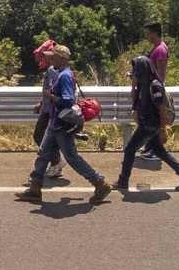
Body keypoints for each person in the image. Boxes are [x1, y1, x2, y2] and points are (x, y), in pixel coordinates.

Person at [15, 45, 112, 203]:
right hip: (55, 123)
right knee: (42, 153)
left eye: (53, 57)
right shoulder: (61, 73)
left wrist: (50, 96)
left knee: (71, 157)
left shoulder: (64, 76)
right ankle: (35, 188)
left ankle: (99, 183)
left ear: (62, 59)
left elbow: (68, 100)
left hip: (61, 125)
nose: (51, 59)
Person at [113, 56, 179, 192]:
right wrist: (134, 85)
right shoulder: (144, 84)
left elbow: (161, 109)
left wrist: (163, 130)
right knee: (159, 150)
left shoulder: (154, 85)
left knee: (130, 149)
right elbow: (136, 102)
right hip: (148, 123)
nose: (136, 72)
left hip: (151, 125)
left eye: (137, 69)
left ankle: (123, 181)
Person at [32, 39, 67, 179]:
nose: (42, 57)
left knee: (39, 136)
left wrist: (46, 101)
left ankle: (56, 162)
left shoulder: (53, 70)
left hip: (50, 110)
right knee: (50, 139)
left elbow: (53, 90)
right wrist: (41, 102)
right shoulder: (52, 69)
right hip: (48, 108)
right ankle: (55, 164)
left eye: (44, 54)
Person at [138, 22, 169, 161]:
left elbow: (160, 73)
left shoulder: (160, 50)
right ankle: (151, 147)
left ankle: (157, 150)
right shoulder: (156, 49)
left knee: (154, 119)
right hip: (150, 87)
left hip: (155, 89)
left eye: (149, 34)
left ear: (155, 34)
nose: (147, 36)